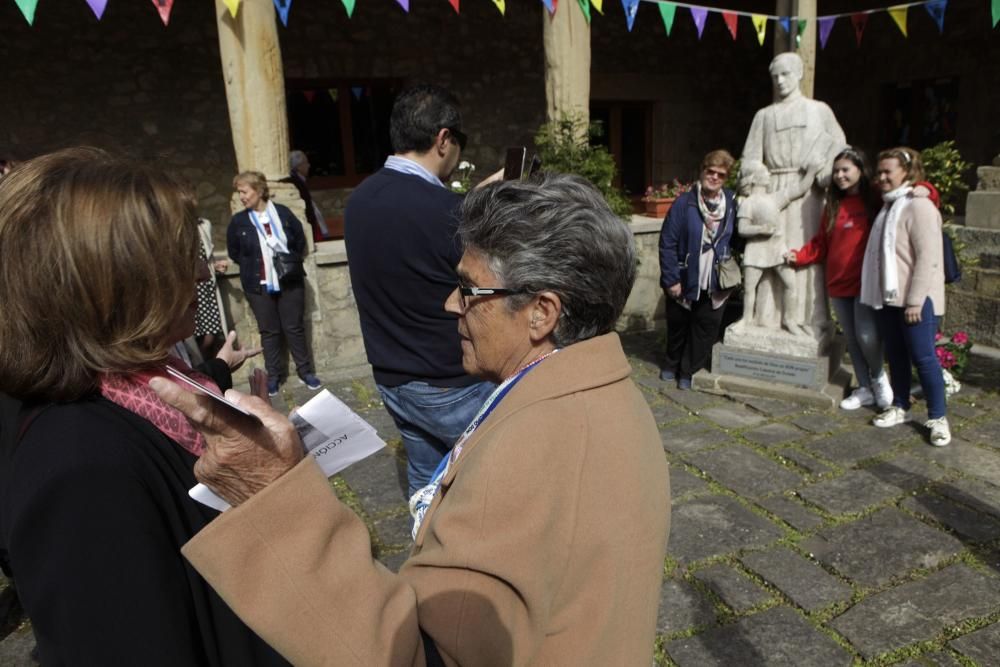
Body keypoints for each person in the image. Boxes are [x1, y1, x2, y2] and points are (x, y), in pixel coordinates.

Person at [152, 174, 671, 666]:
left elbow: (416, 653)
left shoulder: (528, 450)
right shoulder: (606, 392)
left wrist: (272, 495)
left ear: (542, 312)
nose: (451, 304)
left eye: (469, 290)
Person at [0, 147, 287, 666]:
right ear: (117, 283)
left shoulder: (155, 382)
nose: (203, 275)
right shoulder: (80, 469)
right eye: (182, 258)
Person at [344, 84, 495, 496]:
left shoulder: (359, 200)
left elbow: (415, 239)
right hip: (449, 381)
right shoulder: (446, 212)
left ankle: (426, 552)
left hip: (392, 376)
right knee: (493, 481)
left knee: (426, 483)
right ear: (443, 138)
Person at [787, 147, 940, 411]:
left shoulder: (877, 200)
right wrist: (798, 256)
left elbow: (910, 198)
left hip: (866, 283)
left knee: (867, 335)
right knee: (852, 339)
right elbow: (822, 243)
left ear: (860, 170)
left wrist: (927, 188)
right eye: (836, 171)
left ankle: (879, 378)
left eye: (846, 169)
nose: (840, 175)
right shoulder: (833, 205)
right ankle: (865, 388)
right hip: (837, 282)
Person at [739, 52, 846, 336]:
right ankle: (766, 318)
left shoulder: (819, 110)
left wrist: (823, 172)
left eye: (785, 74)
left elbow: (838, 147)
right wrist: (756, 175)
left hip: (808, 195)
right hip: (772, 193)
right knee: (768, 253)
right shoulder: (763, 115)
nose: (780, 81)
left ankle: (809, 318)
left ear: (799, 74)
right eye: (775, 76)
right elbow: (749, 157)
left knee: (807, 255)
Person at [860, 147, 950, 446]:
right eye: (880, 171)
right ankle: (900, 405)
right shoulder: (889, 205)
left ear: (907, 173)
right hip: (889, 297)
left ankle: (938, 418)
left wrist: (914, 300)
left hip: (916, 299)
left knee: (924, 358)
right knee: (896, 355)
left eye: (889, 172)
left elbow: (928, 257)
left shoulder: (918, 206)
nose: (881, 177)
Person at [228, 170, 321, 396]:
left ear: (259, 191)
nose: (241, 196)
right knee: (269, 331)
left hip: (289, 280)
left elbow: (299, 242)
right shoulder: (239, 221)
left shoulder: (284, 213)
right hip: (258, 285)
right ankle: (274, 376)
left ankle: (305, 371)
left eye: (244, 191)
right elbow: (235, 252)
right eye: (239, 192)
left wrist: (284, 264)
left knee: (294, 328)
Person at [658, 149, 740, 389]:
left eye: (720, 174)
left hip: (716, 280)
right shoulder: (685, 203)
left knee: (705, 327)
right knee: (678, 324)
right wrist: (672, 278)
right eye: (710, 171)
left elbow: (738, 238)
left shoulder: (732, 204)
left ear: (726, 179)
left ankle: (688, 370)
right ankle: (671, 364)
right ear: (702, 171)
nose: (714, 177)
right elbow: (667, 242)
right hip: (685, 276)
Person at [281, 149, 331, 242]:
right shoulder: (296, 182)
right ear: (299, 167)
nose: (309, 166)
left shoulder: (300, 180)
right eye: (306, 163)